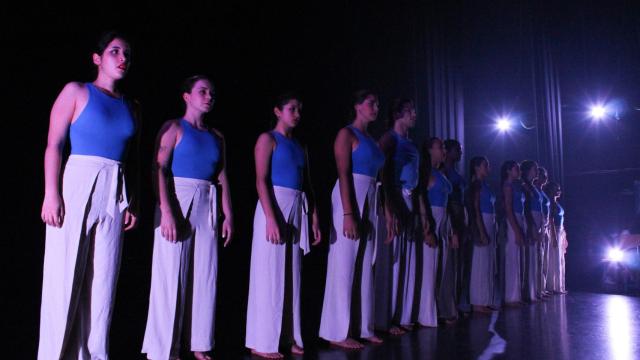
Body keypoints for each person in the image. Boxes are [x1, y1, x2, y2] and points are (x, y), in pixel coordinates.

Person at [38, 31, 140, 359]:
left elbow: (131, 156)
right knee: (65, 273)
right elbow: (54, 144)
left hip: (115, 188)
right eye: (114, 51)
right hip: (78, 181)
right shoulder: (77, 91)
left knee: (103, 281)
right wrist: (51, 194)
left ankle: (94, 355)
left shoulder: (131, 106)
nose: (122, 57)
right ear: (97, 59)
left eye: (126, 53)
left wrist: (131, 200)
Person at [142, 76, 233, 360]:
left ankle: (199, 342)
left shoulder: (217, 137)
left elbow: (221, 175)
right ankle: (164, 348)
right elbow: (159, 168)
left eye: (212, 92)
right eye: (202, 91)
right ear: (186, 96)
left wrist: (228, 214)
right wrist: (166, 212)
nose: (208, 96)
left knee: (206, 274)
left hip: (207, 200)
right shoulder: (174, 128)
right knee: (170, 275)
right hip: (177, 197)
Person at [245, 93, 322, 359]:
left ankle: (288, 335)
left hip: (296, 206)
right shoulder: (268, 139)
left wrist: (313, 216)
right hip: (274, 205)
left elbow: (307, 183)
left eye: (300, 109)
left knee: (292, 276)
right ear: (278, 111)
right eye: (292, 109)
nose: (297, 114)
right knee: (270, 276)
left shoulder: (300, 146)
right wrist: (271, 217)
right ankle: (263, 340)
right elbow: (261, 180)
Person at [319, 90, 385, 349]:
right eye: (371, 103)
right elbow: (343, 173)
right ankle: (337, 330)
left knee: (367, 262)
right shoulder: (346, 134)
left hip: (370, 196)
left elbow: (380, 177)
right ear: (357, 106)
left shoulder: (372, 139)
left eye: (377, 103)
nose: (376, 107)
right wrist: (348, 213)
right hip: (351, 196)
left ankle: (363, 325)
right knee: (344, 263)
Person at [375, 98, 424, 335]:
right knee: (393, 259)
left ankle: (400, 315)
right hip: (395, 196)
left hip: (409, 197)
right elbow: (382, 172)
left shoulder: (409, 142)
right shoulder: (389, 138)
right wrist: (390, 206)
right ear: (398, 114)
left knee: (405, 259)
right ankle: (386, 319)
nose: (414, 114)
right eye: (410, 111)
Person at [419, 137, 450, 326]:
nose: (444, 150)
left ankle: (432, 309)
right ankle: (425, 314)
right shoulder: (426, 172)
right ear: (430, 150)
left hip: (443, 221)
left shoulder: (440, 173)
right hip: (431, 218)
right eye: (440, 147)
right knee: (428, 268)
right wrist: (426, 227)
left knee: (438, 268)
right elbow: (420, 197)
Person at [468, 157, 497, 314]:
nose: (488, 168)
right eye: (485, 166)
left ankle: (485, 300)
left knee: (487, 263)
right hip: (482, 221)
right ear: (477, 167)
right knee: (479, 262)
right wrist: (481, 230)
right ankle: (477, 302)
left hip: (489, 221)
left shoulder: (485, 185)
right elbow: (475, 208)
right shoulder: (476, 185)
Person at [501, 161, 525, 306]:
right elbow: (509, 210)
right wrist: (516, 230)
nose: (518, 171)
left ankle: (516, 295)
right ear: (509, 171)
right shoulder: (507, 186)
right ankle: (511, 297)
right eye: (516, 169)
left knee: (516, 258)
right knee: (512, 258)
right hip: (512, 222)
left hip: (518, 220)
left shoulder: (515, 186)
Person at [521, 160, 542, 301]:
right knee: (529, 257)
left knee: (535, 257)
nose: (537, 171)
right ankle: (528, 292)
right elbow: (527, 207)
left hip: (537, 221)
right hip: (531, 220)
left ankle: (534, 291)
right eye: (535, 169)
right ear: (528, 170)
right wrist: (532, 225)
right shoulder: (525, 186)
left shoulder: (533, 187)